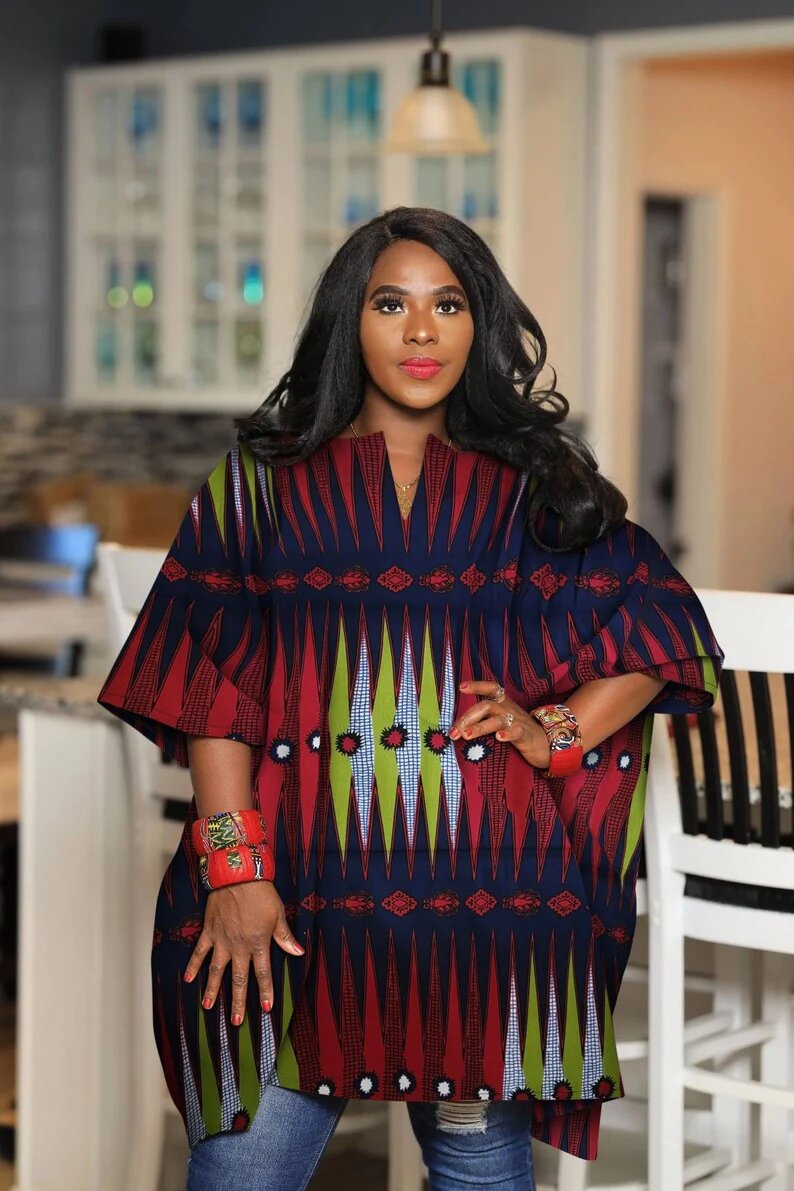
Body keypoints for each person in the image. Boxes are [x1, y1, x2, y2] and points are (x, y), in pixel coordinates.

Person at [96, 206, 725, 1191]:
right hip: (289, 884)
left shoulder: (534, 481)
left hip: (486, 894)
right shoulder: (259, 485)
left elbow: (655, 619)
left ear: (479, 326)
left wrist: (556, 731)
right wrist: (233, 869)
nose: (421, 331)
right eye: (391, 304)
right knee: (243, 1172)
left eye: (450, 304)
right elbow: (213, 685)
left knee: (478, 1168)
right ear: (350, 319)